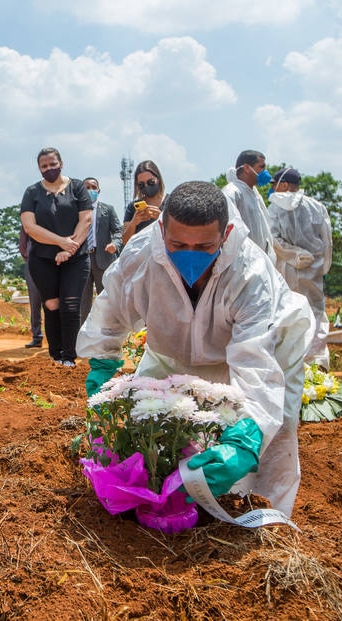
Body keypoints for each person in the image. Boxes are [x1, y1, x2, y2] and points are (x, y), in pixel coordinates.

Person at [77, 181, 313, 517]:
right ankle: (163, 499)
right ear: (162, 228)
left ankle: (264, 517)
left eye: (203, 246)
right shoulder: (140, 257)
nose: (189, 254)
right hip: (171, 352)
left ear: (226, 232)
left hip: (263, 352)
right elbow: (110, 314)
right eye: (177, 243)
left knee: (274, 433)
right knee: (150, 419)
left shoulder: (250, 274)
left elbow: (255, 364)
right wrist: (103, 364)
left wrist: (248, 435)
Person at [20, 147, 92, 367]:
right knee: (51, 305)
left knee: (70, 306)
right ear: (39, 168)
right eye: (44, 166)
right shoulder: (32, 192)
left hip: (76, 258)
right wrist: (60, 241)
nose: (49, 169)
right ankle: (56, 355)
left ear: (61, 163)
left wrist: (69, 248)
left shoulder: (78, 187)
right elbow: (30, 227)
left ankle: (69, 356)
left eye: (52, 164)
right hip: (42, 259)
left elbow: (86, 220)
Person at [268, 167, 333, 369]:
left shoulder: (275, 207)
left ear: (285, 184)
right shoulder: (316, 206)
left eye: (275, 185)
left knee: (285, 312)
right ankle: (316, 359)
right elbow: (327, 240)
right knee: (315, 311)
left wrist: (293, 255)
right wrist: (323, 266)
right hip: (313, 269)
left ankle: (290, 362)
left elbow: (273, 240)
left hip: (285, 268)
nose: (273, 189)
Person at [80, 176, 123, 325]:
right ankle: (82, 338)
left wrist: (115, 244)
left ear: (99, 190)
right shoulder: (76, 211)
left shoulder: (108, 210)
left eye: (93, 187)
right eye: (87, 187)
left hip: (103, 259)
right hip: (82, 260)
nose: (90, 190)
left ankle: (107, 334)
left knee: (105, 299)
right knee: (82, 302)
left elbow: (118, 231)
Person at [222, 150, 276, 262]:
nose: (265, 172)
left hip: (259, 261)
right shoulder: (232, 192)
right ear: (247, 168)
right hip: (243, 263)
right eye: (261, 167)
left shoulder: (255, 195)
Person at [122, 160, 167, 245]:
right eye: (141, 184)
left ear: (159, 179)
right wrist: (134, 223)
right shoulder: (133, 207)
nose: (146, 186)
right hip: (142, 257)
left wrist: (162, 220)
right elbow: (125, 242)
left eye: (151, 182)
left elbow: (182, 234)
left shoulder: (171, 203)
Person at [19, 227, 43, 348]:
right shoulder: (27, 216)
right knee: (34, 301)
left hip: (52, 261)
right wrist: (28, 256)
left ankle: (56, 338)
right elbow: (22, 241)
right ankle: (37, 336)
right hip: (32, 261)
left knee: (54, 302)